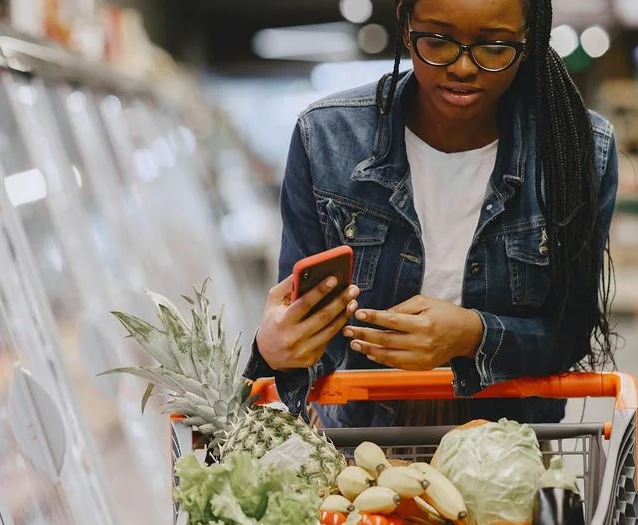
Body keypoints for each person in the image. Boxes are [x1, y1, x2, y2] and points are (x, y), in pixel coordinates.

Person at [244, 0, 619, 428]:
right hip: (358, 445)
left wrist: (470, 335)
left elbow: (568, 332)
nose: (462, 67)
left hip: (509, 446)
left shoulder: (577, 149)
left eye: (494, 46)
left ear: (529, 40)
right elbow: (308, 323)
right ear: (406, 26)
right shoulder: (327, 138)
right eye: (438, 41)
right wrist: (276, 348)